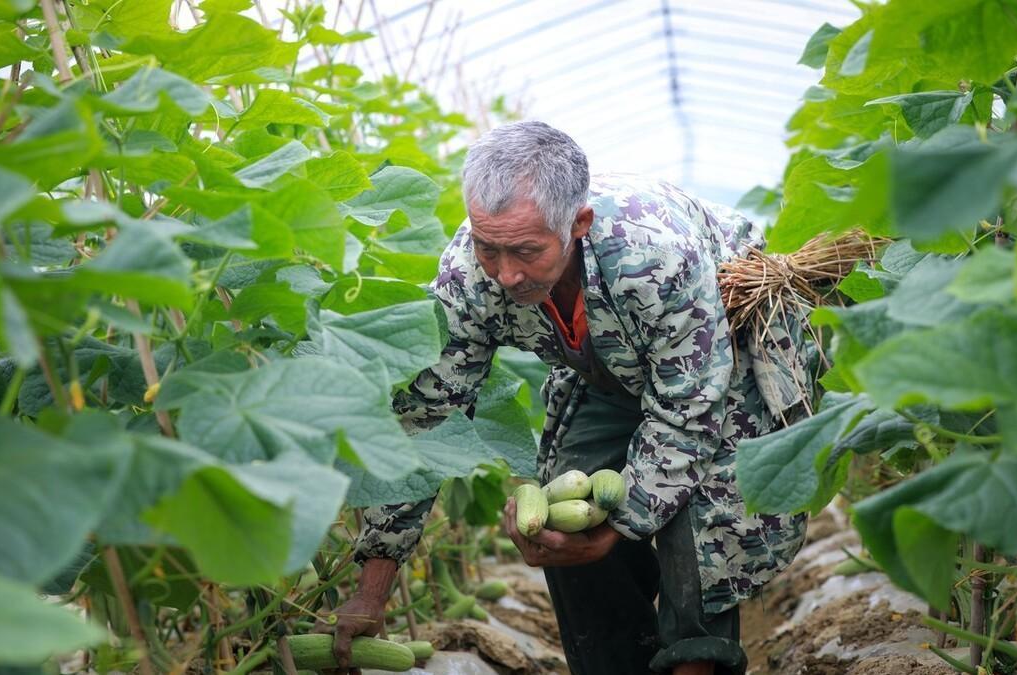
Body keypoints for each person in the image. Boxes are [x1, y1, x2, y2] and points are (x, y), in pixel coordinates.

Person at [319, 121, 809, 675]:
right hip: (601, 368)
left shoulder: (654, 258)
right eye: (488, 248)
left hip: (720, 361)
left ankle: (694, 661)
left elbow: (686, 413)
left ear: (578, 224)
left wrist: (624, 524)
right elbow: (428, 419)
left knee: (702, 528)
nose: (505, 274)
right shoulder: (469, 277)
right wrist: (372, 588)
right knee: (563, 508)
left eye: (526, 251)